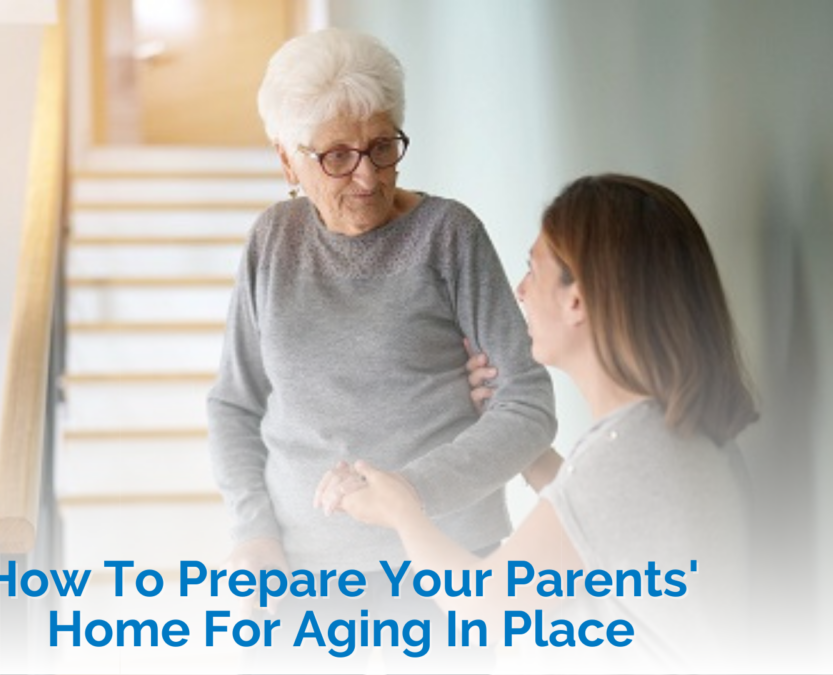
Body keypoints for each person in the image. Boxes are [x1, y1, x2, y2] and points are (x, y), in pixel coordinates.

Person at [205, 27, 557, 669]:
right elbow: (234, 407)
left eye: (382, 146)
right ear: (289, 160)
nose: (367, 176)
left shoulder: (447, 235)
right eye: (337, 156)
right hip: (303, 587)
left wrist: (404, 496)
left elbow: (527, 404)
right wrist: (253, 532)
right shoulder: (271, 243)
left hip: (449, 576)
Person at [319, 174, 759, 672]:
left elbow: (486, 607)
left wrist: (402, 511)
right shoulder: (665, 436)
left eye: (534, 268)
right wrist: (521, 443)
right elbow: (594, 525)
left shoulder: (626, 454)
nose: (521, 290)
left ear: (577, 299)